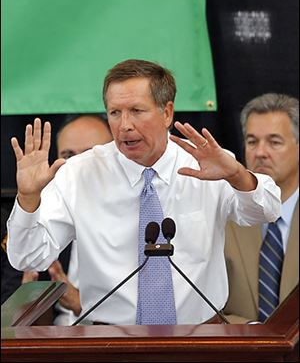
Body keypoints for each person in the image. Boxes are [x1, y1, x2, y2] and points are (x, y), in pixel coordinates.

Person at [7, 59, 281, 325]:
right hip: (110, 342)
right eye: (115, 112)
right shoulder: (78, 174)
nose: (125, 125)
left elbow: (268, 210)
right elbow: (28, 257)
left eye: (137, 111)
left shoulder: (204, 163)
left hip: (200, 337)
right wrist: (29, 199)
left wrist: (237, 175)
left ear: (167, 113)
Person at [21, 114, 113, 324]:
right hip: (51, 346)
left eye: (90, 154)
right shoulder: (38, 215)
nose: (77, 165)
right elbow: (10, 304)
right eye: (68, 156)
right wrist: (27, 300)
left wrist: (82, 304)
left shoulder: (144, 212)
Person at [224, 93, 299, 324]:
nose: (260, 153)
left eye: (274, 142)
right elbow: (201, 304)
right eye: (252, 141)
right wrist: (255, 335)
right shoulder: (223, 213)